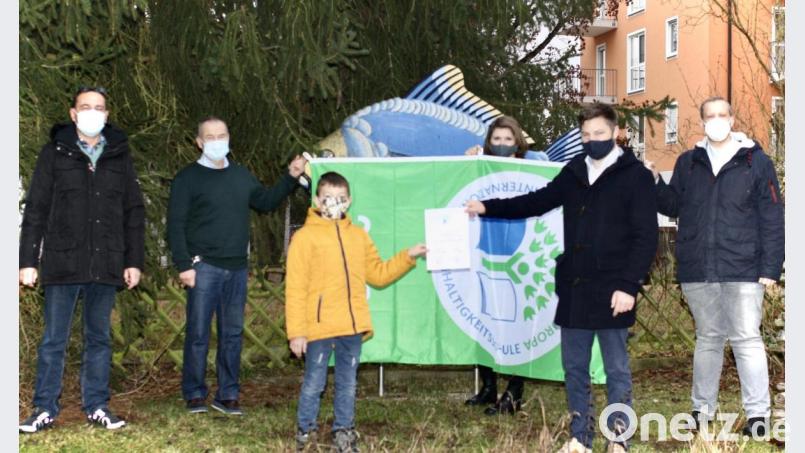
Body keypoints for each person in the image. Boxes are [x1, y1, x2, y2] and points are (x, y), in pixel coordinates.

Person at [466, 104, 658, 453]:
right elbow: (536, 201)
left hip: (616, 289)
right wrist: (487, 206)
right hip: (575, 288)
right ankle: (580, 438)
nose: (592, 141)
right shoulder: (573, 171)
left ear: (615, 132)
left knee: (616, 370)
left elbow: (646, 237)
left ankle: (619, 437)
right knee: (574, 369)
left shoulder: (636, 176)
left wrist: (629, 286)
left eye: (599, 134)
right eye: (585, 135)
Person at [645, 96, 784, 438]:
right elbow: (674, 205)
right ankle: (701, 411)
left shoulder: (756, 161)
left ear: (732, 118)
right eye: (711, 115)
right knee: (708, 339)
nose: (717, 120)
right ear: (703, 121)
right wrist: (654, 182)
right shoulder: (688, 162)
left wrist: (771, 266)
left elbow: (772, 216)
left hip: (744, 267)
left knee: (747, 340)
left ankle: (758, 416)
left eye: (723, 114)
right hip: (698, 266)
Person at [18, 86, 145, 432]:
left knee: (99, 339)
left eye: (99, 107)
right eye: (85, 107)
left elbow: (133, 210)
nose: (93, 112)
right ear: (73, 114)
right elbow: (37, 209)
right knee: (53, 340)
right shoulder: (54, 153)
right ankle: (44, 408)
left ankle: (97, 406)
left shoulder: (119, 155)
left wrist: (133, 260)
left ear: (107, 114)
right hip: (62, 263)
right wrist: (27, 260)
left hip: (106, 264)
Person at [167, 116, 306, 415]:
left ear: (229, 139)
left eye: (222, 135)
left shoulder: (242, 176)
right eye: (210, 137)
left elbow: (266, 202)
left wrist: (291, 176)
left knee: (232, 333)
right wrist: (183, 265)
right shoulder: (187, 178)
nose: (217, 141)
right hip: (202, 266)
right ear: (200, 143)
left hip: (237, 268)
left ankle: (227, 394)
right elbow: (175, 225)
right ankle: (194, 393)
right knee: (198, 333)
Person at [286, 171, 427, 452]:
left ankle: (344, 431)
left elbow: (379, 274)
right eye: (327, 198)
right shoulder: (303, 238)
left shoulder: (359, 236)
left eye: (340, 199)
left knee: (347, 385)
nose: (334, 203)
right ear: (316, 199)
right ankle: (306, 431)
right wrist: (297, 333)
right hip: (318, 328)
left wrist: (407, 256)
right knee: (314, 383)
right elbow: (295, 288)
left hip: (352, 327)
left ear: (349, 201)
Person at [463, 116, 530, 416]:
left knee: (518, 322)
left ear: (518, 142)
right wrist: (464, 163)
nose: (502, 145)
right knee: (484, 318)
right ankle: (488, 387)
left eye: (508, 139)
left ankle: (514, 392)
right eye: (497, 140)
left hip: (519, 252)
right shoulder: (479, 166)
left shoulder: (533, 165)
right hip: (485, 250)